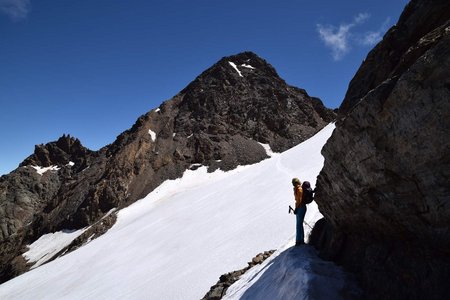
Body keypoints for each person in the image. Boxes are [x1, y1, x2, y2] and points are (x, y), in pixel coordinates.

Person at [292, 178, 306, 246]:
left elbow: (299, 200)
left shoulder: (299, 189)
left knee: (298, 225)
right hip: (300, 207)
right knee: (299, 224)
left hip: (301, 208)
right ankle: (301, 240)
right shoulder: (297, 189)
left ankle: (298, 241)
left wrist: (296, 208)